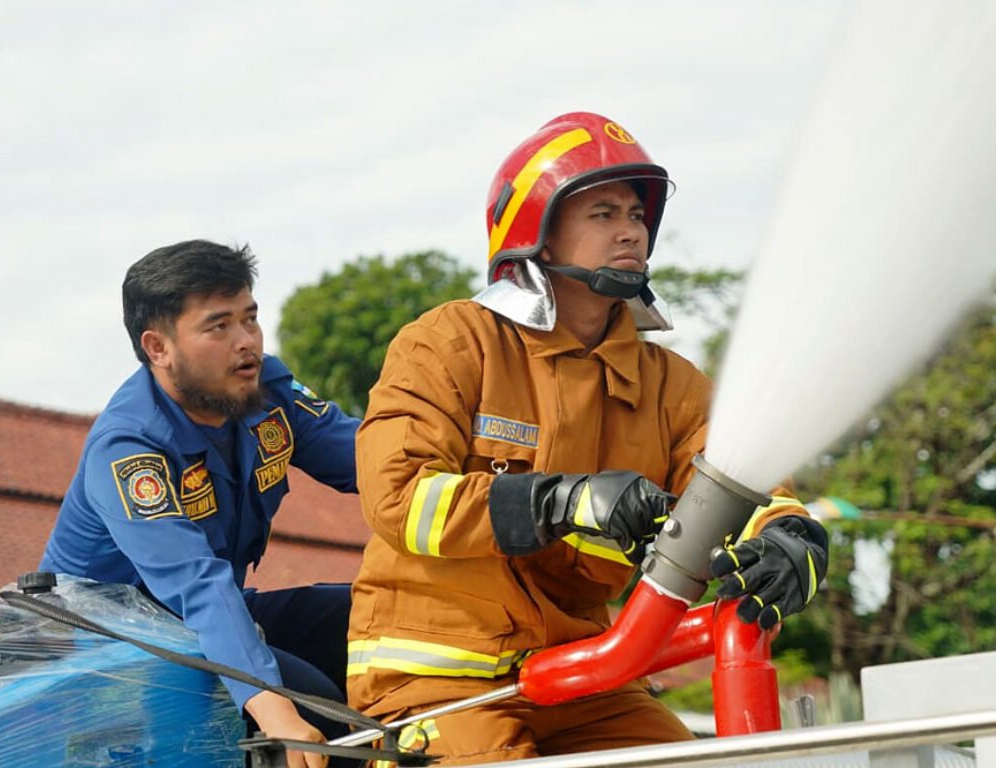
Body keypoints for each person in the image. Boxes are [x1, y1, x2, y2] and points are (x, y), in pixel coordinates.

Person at [346, 112, 829, 763]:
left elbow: (739, 483)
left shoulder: (672, 385)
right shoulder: (450, 342)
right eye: (603, 213)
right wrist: (562, 501)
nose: (630, 229)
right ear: (537, 236)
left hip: (584, 678)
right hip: (435, 681)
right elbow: (399, 498)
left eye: (636, 215)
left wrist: (788, 537)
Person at [41, 240, 361, 768]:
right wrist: (271, 707)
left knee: (373, 613)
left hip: (203, 625)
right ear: (158, 347)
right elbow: (197, 585)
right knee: (315, 705)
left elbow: (374, 460)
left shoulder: (267, 392)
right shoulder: (129, 447)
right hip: (109, 658)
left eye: (250, 319)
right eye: (219, 326)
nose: (247, 343)